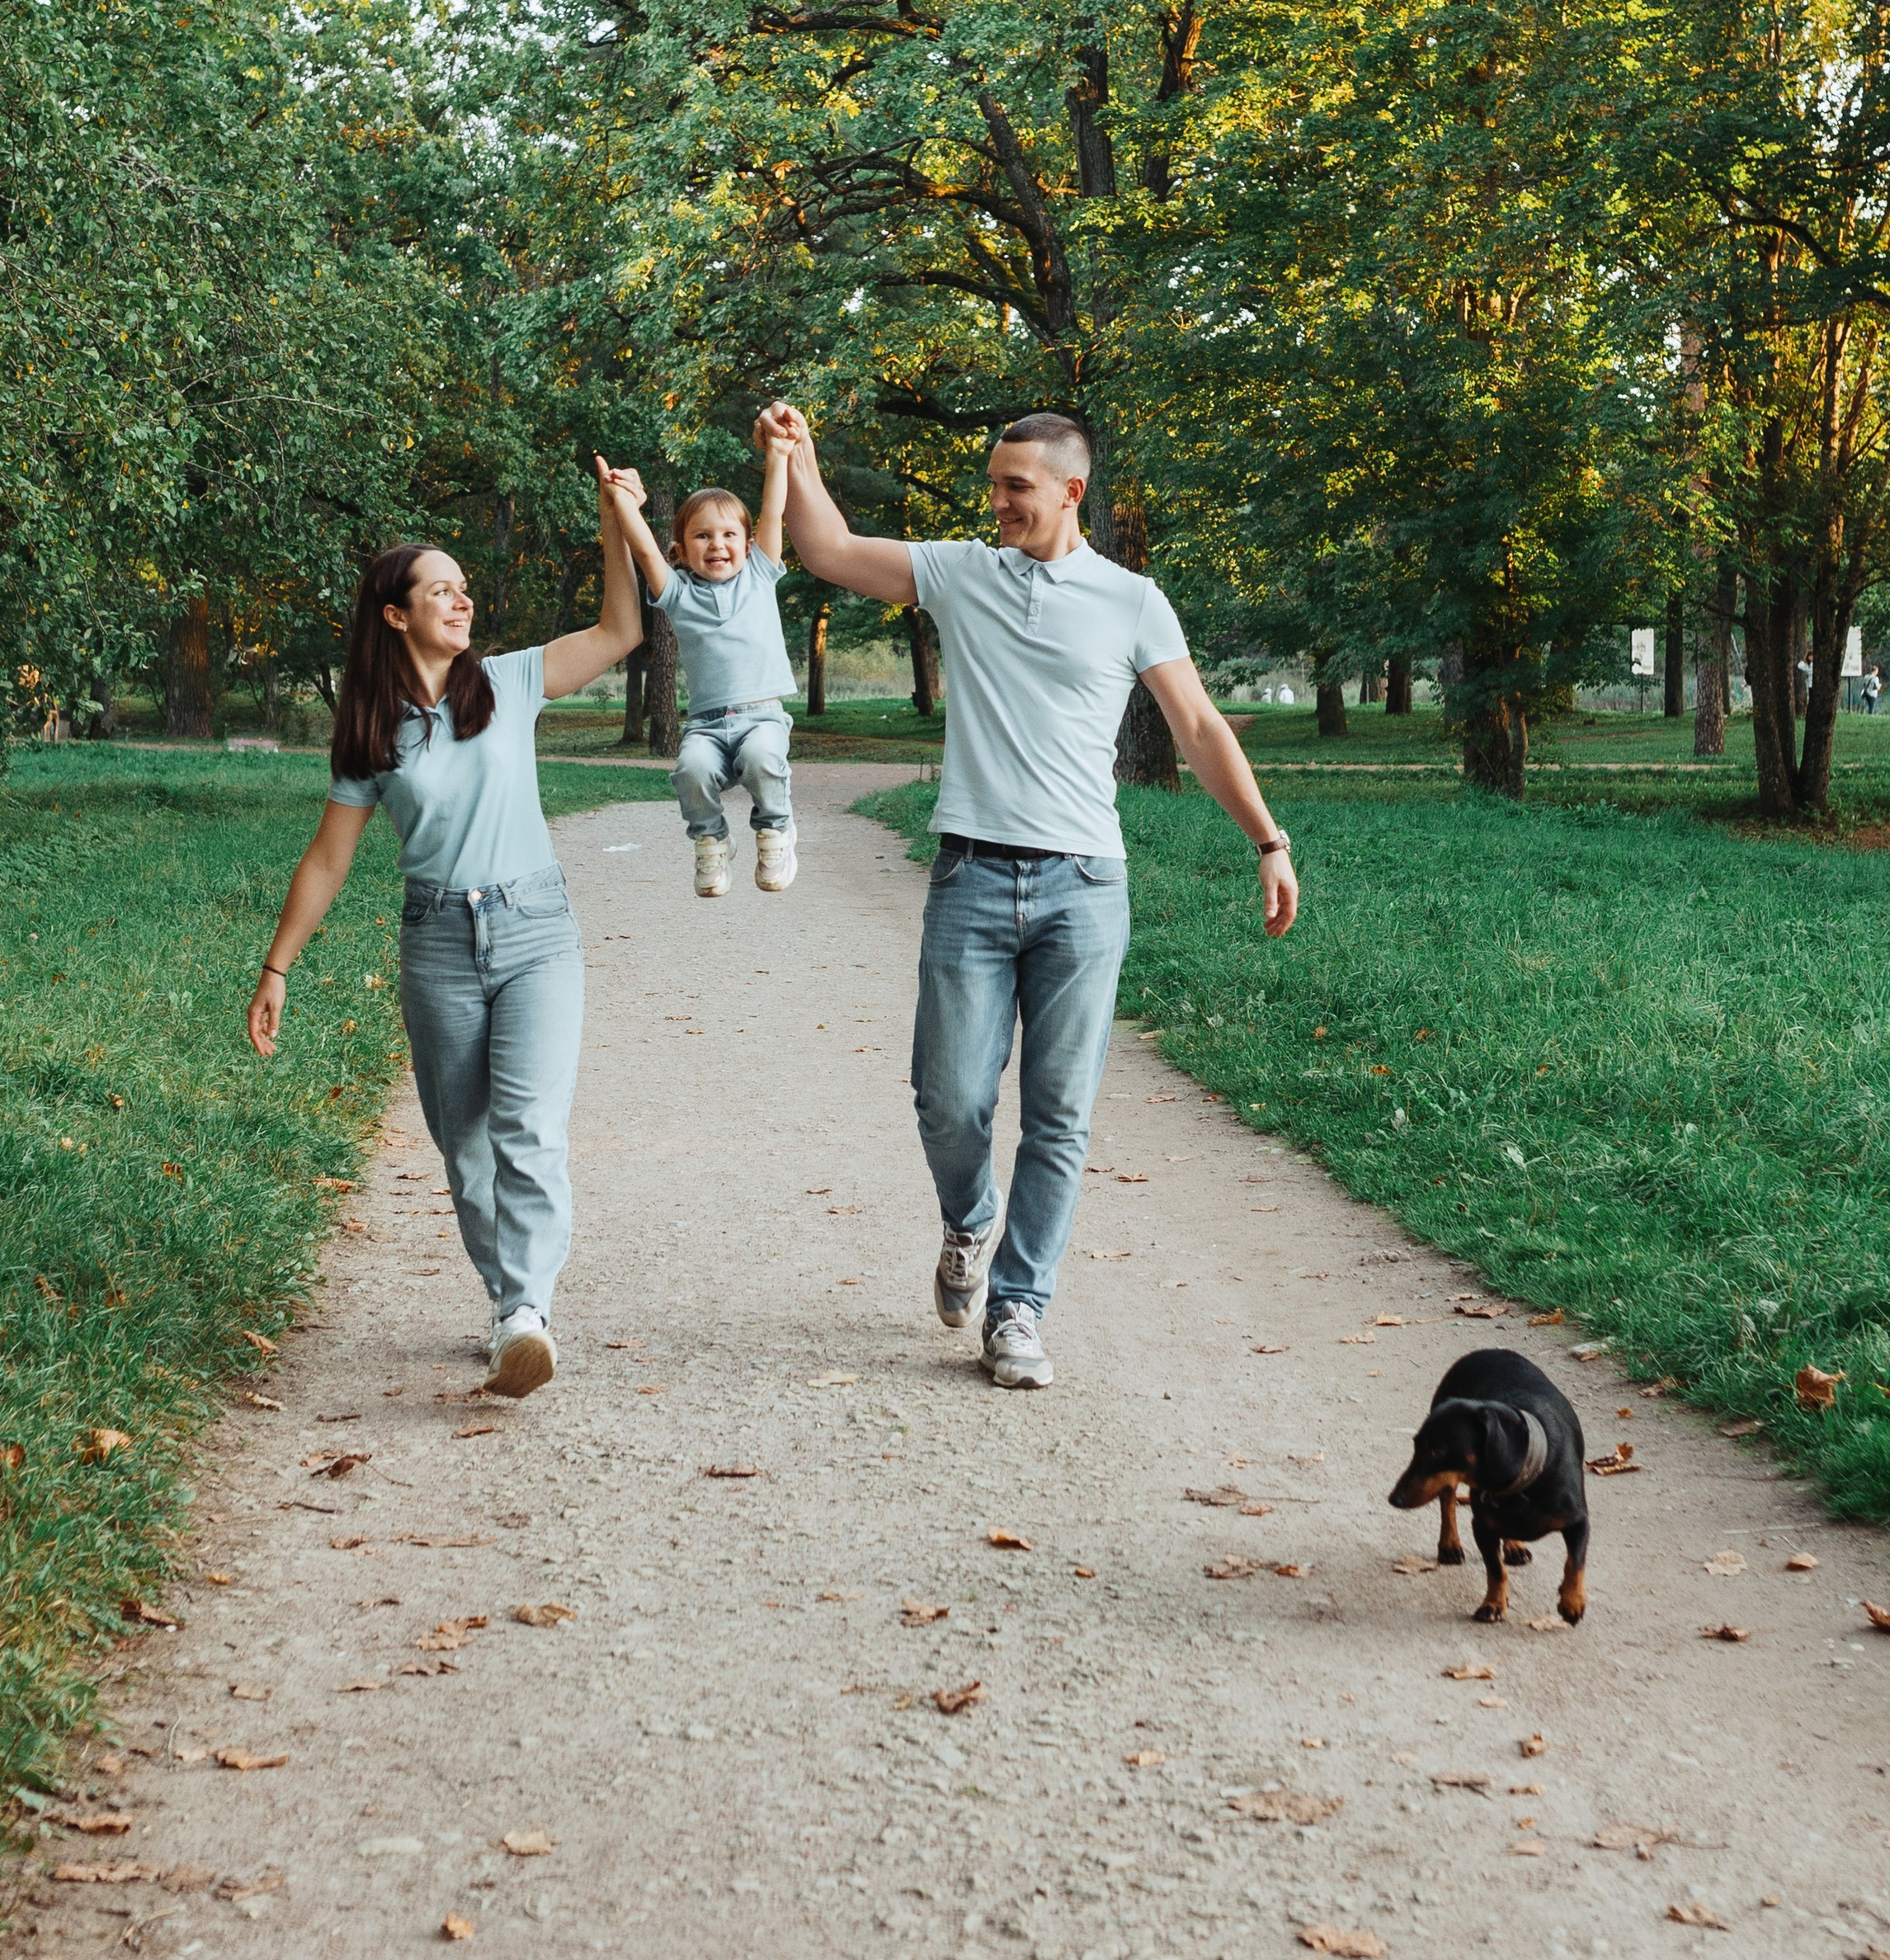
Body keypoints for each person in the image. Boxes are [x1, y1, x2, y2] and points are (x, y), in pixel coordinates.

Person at [761, 403, 1298, 1392]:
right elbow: (828, 548)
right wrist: (797, 457)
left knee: (1059, 1115)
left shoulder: (1132, 599)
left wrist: (1267, 839)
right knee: (950, 1098)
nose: (997, 501)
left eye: (1016, 486)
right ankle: (968, 1221)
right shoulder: (963, 574)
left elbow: (1199, 728)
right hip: (970, 873)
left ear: (1069, 492)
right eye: (995, 482)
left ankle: (1017, 1308)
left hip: (1085, 887)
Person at [246, 459, 646, 1396]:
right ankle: (511, 1303)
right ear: (396, 614)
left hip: (535, 929)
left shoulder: (507, 682)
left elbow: (623, 629)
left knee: (528, 1128)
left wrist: (610, 520)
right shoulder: (373, 729)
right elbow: (329, 857)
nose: (461, 602)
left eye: (465, 589)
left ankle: (526, 1313)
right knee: (463, 1142)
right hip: (436, 942)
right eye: (441, 591)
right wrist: (277, 967)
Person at [613, 441, 799, 900]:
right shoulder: (676, 592)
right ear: (680, 550)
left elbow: (772, 513)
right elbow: (643, 552)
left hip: (762, 715)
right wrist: (625, 504)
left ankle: (777, 831)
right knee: (690, 769)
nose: (717, 544)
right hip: (707, 725)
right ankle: (712, 839)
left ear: (749, 545)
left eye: (729, 535)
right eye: (702, 536)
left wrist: (777, 455)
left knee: (761, 760)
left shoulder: (760, 573)